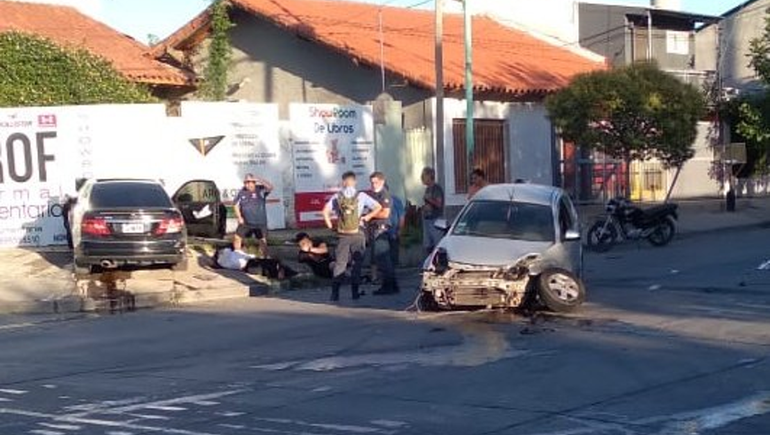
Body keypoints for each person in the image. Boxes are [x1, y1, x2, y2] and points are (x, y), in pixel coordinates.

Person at [322, 171, 382, 302]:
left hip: (343, 234)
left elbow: (325, 212)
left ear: (343, 182)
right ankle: (355, 293)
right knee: (357, 264)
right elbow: (378, 207)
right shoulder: (361, 195)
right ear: (354, 182)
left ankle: (335, 293)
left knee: (340, 264)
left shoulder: (337, 196)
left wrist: (331, 226)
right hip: (358, 233)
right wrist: (367, 217)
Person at [367, 172, 398, 295]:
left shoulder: (384, 194)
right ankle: (392, 285)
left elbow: (385, 213)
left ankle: (388, 286)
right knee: (381, 259)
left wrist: (369, 216)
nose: (373, 185)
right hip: (375, 228)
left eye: (376, 182)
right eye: (372, 182)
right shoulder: (374, 195)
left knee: (383, 259)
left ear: (382, 181)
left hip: (381, 229)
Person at [233, 173, 273, 257]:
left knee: (262, 241)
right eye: (246, 182)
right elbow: (235, 205)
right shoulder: (241, 192)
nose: (248, 184)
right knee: (237, 238)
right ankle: (237, 256)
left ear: (254, 182)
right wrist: (239, 217)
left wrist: (259, 179)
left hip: (260, 223)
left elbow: (270, 187)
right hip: (246, 222)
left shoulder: (260, 190)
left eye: (250, 182)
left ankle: (265, 259)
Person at [421, 167, 445, 254]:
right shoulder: (427, 189)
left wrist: (429, 199)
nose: (422, 178)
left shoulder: (437, 188)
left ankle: (439, 263)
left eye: (424, 175)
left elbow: (439, 204)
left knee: (437, 243)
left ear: (429, 176)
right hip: (427, 219)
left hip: (435, 219)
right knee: (428, 244)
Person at [388, 193, 406, 268]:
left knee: (393, 251)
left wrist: (400, 229)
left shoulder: (395, 200)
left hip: (393, 230)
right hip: (380, 231)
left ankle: (392, 269)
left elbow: (401, 216)